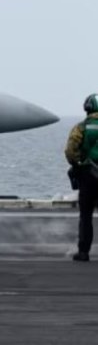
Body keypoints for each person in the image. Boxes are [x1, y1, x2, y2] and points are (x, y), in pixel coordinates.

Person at [65, 94, 98, 262]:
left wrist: (76, 164)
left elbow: (71, 150)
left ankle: (83, 252)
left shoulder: (81, 128)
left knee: (86, 215)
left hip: (88, 176)